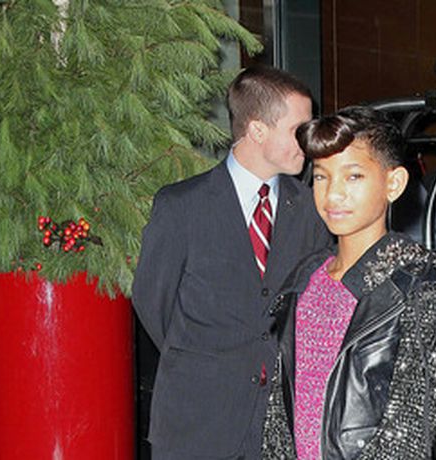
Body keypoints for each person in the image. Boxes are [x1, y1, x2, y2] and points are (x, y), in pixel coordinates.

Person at [132, 66, 332, 459]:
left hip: (281, 428)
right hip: (196, 423)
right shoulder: (181, 206)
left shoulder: (311, 210)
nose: (309, 142)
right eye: (299, 129)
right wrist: (206, 362)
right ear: (257, 130)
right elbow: (153, 302)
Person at [261, 106, 436, 459]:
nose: (333, 194)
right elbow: (278, 415)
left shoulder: (419, 280)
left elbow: (410, 430)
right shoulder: (304, 278)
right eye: (321, 177)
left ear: (393, 184)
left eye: (353, 176)